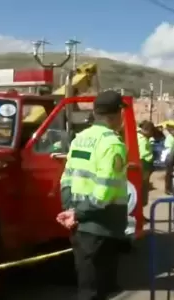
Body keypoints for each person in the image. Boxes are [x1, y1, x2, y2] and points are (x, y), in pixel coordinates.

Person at [57, 90, 128, 300]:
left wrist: (70, 209)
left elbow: (66, 177)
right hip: (102, 225)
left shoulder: (80, 139)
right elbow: (105, 189)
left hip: (80, 223)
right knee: (97, 289)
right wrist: (78, 213)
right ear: (115, 115)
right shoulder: (112, 143)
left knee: (86, 285)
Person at [137, 121, 155, 222]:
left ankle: (140, 214)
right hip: (143, 167)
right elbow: (145, 155)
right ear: (148, 130)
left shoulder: (139, 137)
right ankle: (139, 215)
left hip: (142, 167)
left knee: (141, 192)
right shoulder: (142, 140)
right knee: (142, 191)